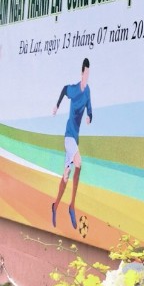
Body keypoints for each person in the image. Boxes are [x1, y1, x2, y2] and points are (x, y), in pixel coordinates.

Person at [52, 57, 93, 229]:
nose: (87, 77)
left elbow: (89, 107)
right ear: (81, 72)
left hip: (75, 138)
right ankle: (72, 205)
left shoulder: (87, 91)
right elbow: (63, 89)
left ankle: (55, 205)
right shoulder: (75, 89)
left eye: (89, 74)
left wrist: (90, 116)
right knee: (79, 164)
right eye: (85, 73)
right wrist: (57, 105)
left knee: (66, 176)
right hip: (69, 136)